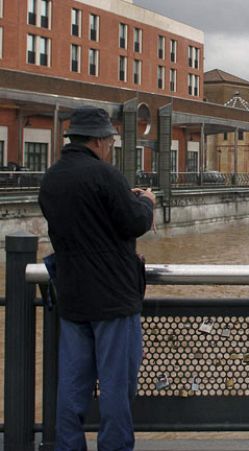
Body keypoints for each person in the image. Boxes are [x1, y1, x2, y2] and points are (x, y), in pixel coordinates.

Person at [38, 106, 156, 451]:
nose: (111, 148)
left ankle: (68, 446)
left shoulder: (52, 178)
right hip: (113, 300)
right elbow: (134, 222)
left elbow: (85, 225)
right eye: (111, 142)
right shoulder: (106, 175)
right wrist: (147, 202)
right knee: (117, 387)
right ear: (99, 141)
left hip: (73, 296)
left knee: (72, 387)